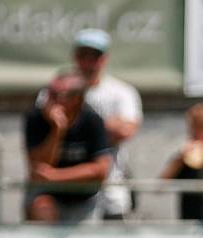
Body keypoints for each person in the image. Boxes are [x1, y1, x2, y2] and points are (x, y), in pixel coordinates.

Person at [71, 28, 142, 220]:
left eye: (95, 56)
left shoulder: (121, 92)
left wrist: (79, 129)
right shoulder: (56, 91)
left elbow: (127, 130)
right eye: (83, 55)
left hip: (110, 188)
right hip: (67, 191)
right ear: (75, 57)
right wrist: (107, 128)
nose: (88, 62)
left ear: (104, 58)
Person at [24, 70, 112, 223]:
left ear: (77, 99)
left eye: (56, 95)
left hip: (85, 202)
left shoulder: (92, 121)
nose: (48, 100)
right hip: (47, 196)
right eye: (48, 92)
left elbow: (100, 170)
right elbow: (39, 169)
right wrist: (57, 130)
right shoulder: (35, 119)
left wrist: (55, 176)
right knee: (42, 207)